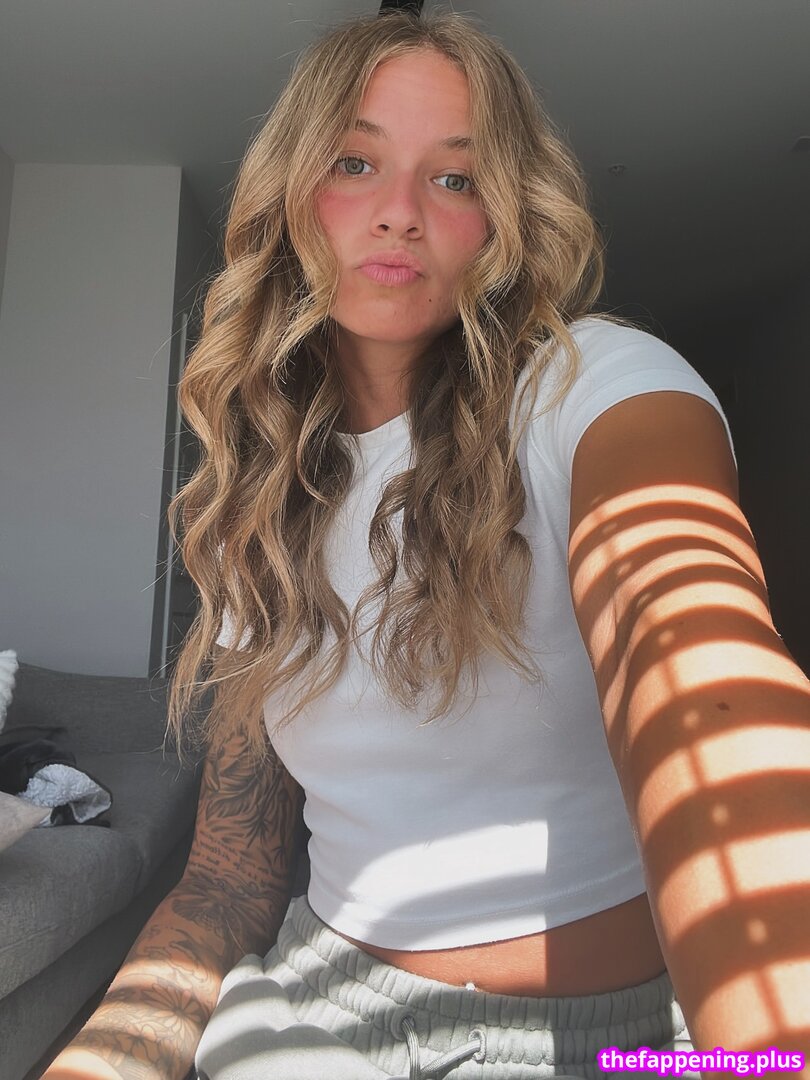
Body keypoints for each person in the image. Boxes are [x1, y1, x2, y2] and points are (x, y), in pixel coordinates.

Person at [44, 8, 810, 1080]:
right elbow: (227, 878)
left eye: (455, 178)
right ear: (293, 194)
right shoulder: (262, 502)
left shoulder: (595, 385)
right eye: (355, 163)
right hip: (310, 1009)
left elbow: (697, 675)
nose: (400, 214)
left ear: (504, 219)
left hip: (605, 1040)